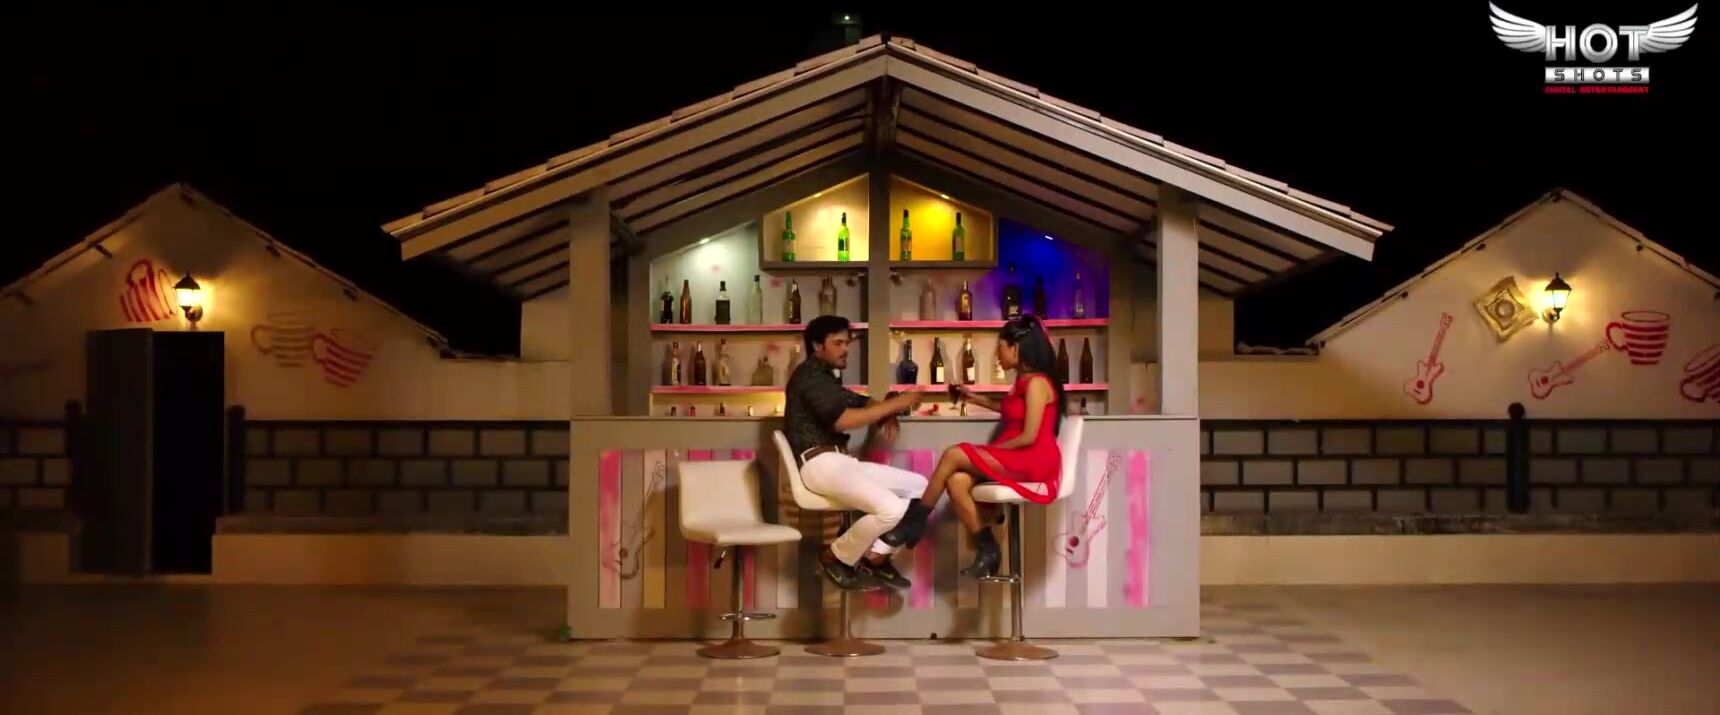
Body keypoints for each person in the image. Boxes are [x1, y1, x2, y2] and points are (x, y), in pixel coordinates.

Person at [879, 315, 1066, 578]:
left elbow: (1029, 436)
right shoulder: (1023, 381)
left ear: (1016, 348)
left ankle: (915, 522)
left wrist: (991, 452)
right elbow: (1011, 410)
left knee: (953, 453)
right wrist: (973, 397)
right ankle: (987, 547)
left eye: (1001, 347)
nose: (997, 354)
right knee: (956, 481)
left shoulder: (1037, 383)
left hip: (1033, 458)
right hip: (1018, 454)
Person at [785, 315, 926, 590]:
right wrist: (895, 405)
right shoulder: (809, 377)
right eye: (838, 343)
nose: (845, 349)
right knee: (891, 509)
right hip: (819, 464)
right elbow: (843, 420)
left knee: (921, 486)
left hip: (841, 462)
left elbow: (859, 401)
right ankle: (832, 556)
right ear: (817, 346)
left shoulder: (826, 379)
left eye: (847, 343)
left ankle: (877, 556)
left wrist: (883, 412)